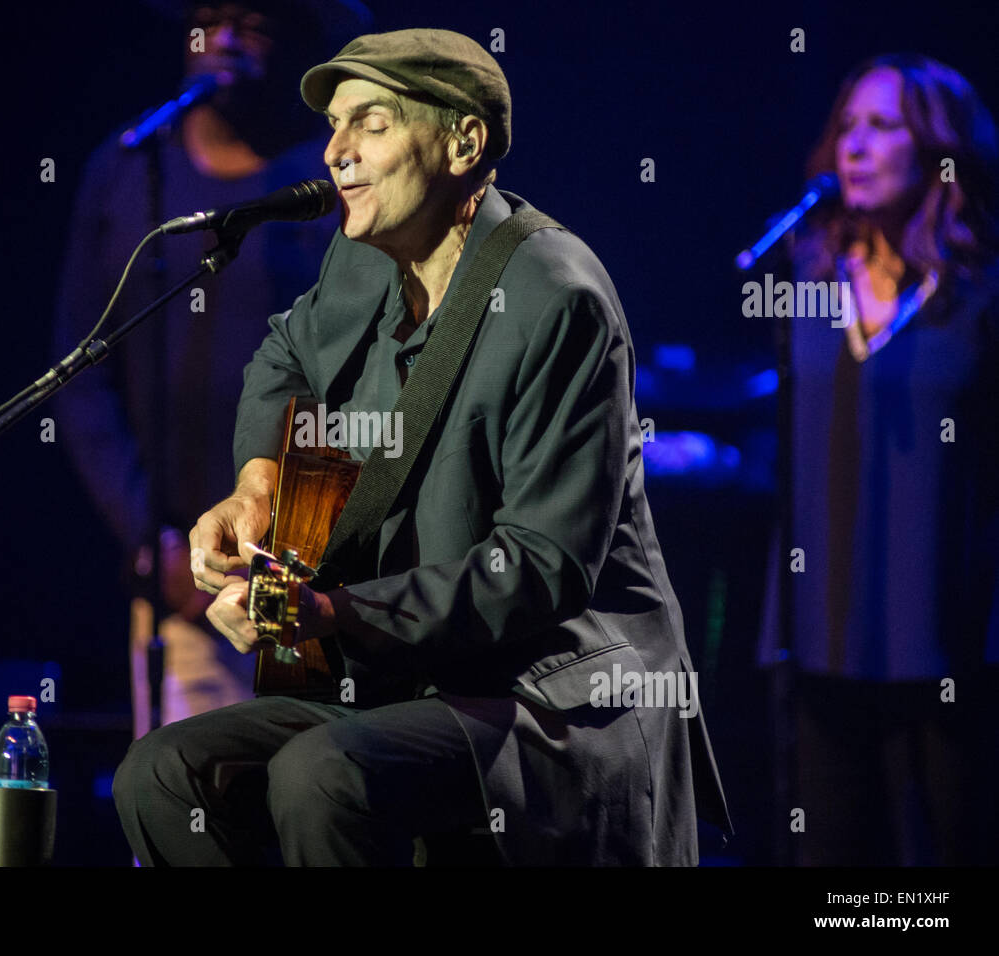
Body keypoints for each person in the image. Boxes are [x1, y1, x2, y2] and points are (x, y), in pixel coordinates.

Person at [113, 27, 733, 865]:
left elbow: (545, 564)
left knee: (322, 773)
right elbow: (282, 355)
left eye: (368, 123)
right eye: (333, 127)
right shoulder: (361, 261)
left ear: (462, 142)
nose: (335, 152)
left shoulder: (557, 296)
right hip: (404, 676)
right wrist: (256, 486)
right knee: (163, 767)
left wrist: (338, 613)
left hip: (552, 692)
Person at [52, 0, 370, 720]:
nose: (226, 38)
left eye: (254, 19)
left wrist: (307, 550)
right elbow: (81, 373)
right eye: (211, 16)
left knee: (314, 806)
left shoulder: (334, 178)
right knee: (186, 812)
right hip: (180, 587)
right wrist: (149, 538)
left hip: (318, 575)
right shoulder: (132, 167)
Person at [759, 54, 999, 865]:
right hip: (825, 636)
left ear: (939, 148)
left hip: (951, 643)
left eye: (883, 126)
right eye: (846, 128)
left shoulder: (980, 294)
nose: (854, 147)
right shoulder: (808, 283)